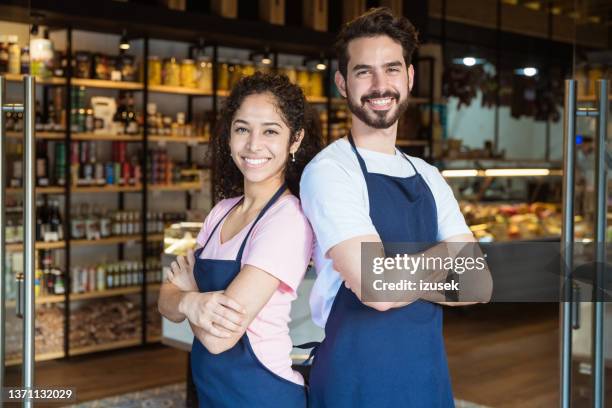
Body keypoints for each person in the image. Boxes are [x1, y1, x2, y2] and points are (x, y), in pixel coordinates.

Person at [300, 8, 492, 407]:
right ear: (341, 83)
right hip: (355, 383)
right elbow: (378, 289)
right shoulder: (330, 171)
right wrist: (449, 258)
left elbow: (478, 283)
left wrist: (394, 268)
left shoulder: (428, 175)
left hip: (428, 377)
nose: (379, 84)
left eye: (391, 69)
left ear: (409, 77)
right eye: (363, 71)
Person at [158, 72, 321, 407]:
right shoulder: (221, 212)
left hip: (263, 395)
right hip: (213, 394)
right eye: (242, 128)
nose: (253, 144)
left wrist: (187, 293)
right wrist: (192, 303)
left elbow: (220, 339)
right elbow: (165, 304)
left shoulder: (287, 220)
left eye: (270, 131)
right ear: (229, 136)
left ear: (295, 140)